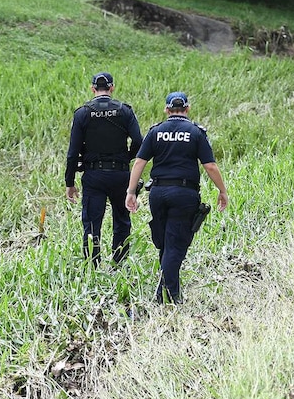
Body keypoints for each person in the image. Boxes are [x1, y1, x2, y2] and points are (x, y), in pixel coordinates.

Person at [125, 92, 228, 304]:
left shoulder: (156, 132)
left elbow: (139, 162)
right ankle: (168, 296)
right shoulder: (196, 132)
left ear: (166, 110)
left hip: (158, 193)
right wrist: (222, 190)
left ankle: (166, 291)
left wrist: (131, 191)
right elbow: (209, 165)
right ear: (187, 109)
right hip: (183, 194)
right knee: (176, 245)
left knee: (165, 242)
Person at [66, 72, 142, 267]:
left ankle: (93, 265)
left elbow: (73, 152)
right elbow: (139, 141)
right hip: (120, 174)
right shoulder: (124, 111)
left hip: (93, 176)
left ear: (93, 89)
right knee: (122, 220)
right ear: (112, 88)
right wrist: (127, 157)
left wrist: (70, 182)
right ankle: (120, 263)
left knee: (91, 223)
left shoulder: (83, 113)